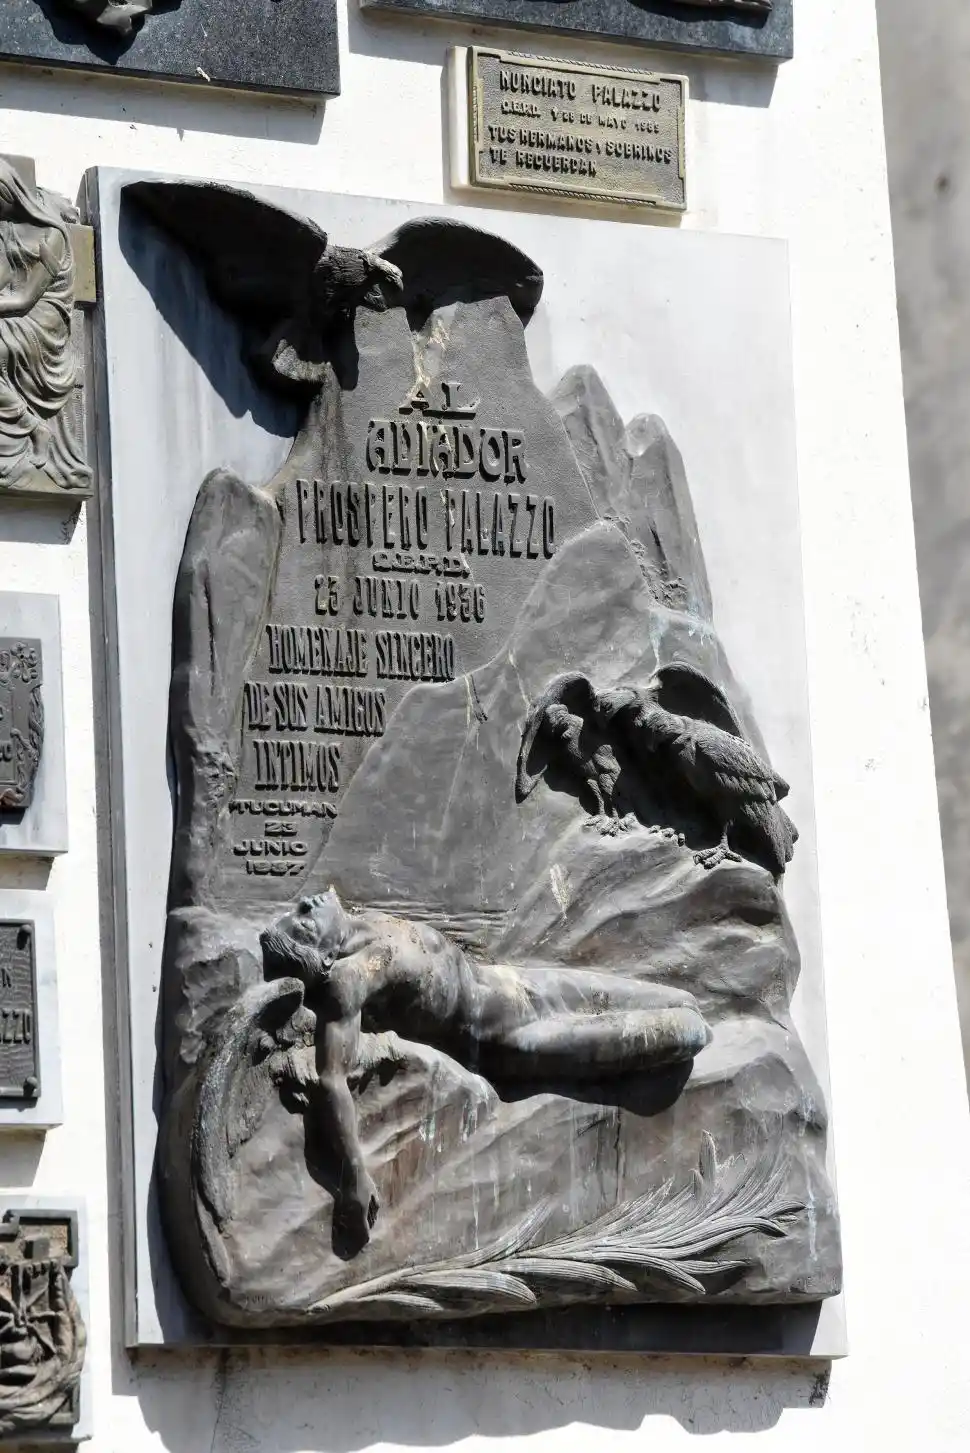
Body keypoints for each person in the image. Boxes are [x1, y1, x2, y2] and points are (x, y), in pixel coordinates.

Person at [260, 890, 711, 1248]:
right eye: (302, 920)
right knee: (687, 1032)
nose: (309, 903)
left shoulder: (366, 924)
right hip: (513, 1041)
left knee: (682, 999)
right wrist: (353, 1176)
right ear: (318, 957)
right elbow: (332, 1078)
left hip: (519, 984)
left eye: (299, 906)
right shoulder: (349, 978)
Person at [0, 161, 91, 492]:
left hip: (41, 323)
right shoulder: (7, 228)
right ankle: (31, 426)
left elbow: (24, 298)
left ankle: (35, 430)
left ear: (8, 194)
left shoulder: (51, 236)